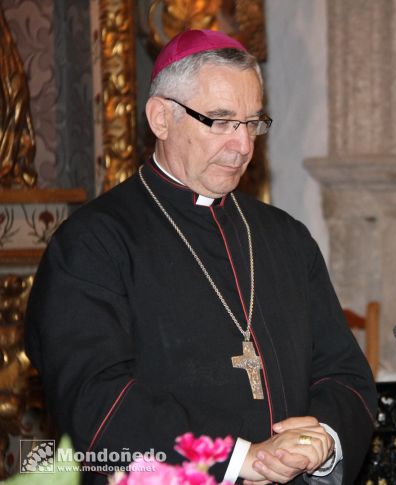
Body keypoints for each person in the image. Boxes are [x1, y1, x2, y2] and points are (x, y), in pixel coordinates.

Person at [25, 29, 376, 484]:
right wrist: (235, 459)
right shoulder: (92, 244)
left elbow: (345, 373)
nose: (244, 145)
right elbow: (95, 399)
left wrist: (321, 441)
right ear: (160, 118)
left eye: (252, 123)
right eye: (222, 121)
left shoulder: (286, 239)